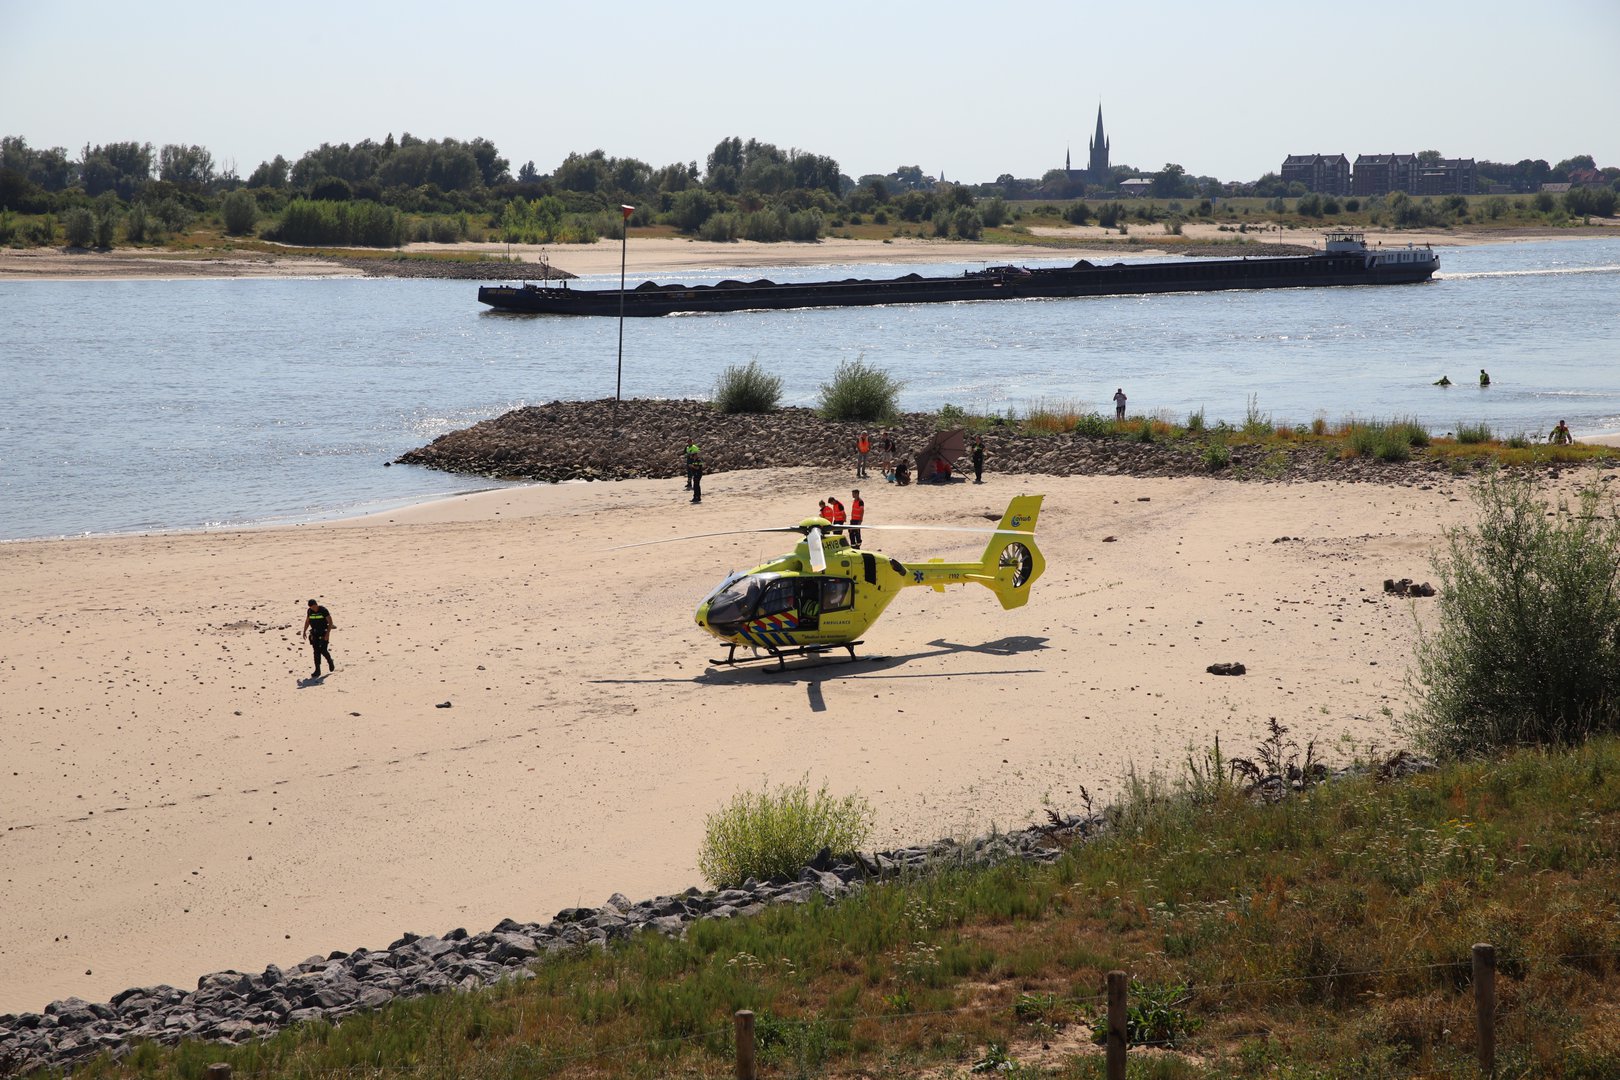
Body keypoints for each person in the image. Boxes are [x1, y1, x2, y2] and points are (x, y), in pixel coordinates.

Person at [302, 599, 335, 679]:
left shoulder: (323, 610)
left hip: (324, 632)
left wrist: (327, 634)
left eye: (313, 606)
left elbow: (330, 622)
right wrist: (304, 631)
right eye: (311, 607)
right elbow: (307, 621)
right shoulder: (309, 611)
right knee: (316, 651)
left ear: (316, 604)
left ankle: (330, 661)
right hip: (314, 633)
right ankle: (317, 670)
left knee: (323, 650)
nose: (313, 608)